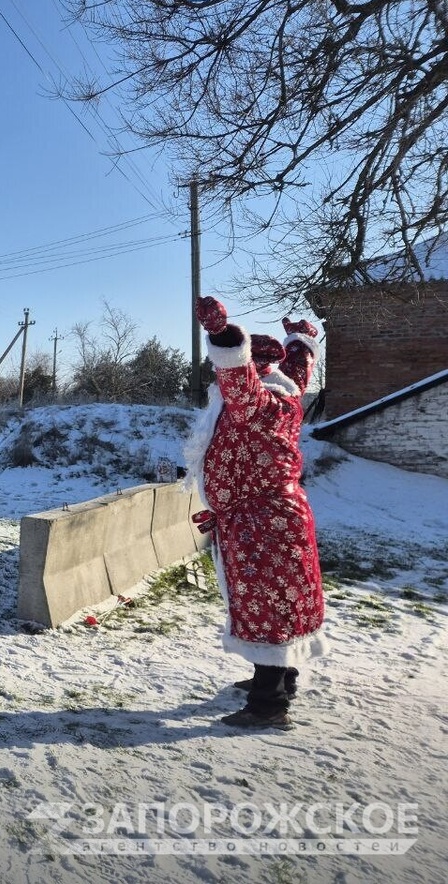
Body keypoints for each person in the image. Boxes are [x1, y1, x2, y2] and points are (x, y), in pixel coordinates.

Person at [187, 296, 327, 730]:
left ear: (256, 367)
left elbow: (236, 376)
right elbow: (301, 364)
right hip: (267, 514)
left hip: (261, 522)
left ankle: (268, 705)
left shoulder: (259, 402)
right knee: (282, 599)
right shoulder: (288, 391)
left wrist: (221, 335)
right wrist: (302, 339)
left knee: (266, 604)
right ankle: (279, 679)